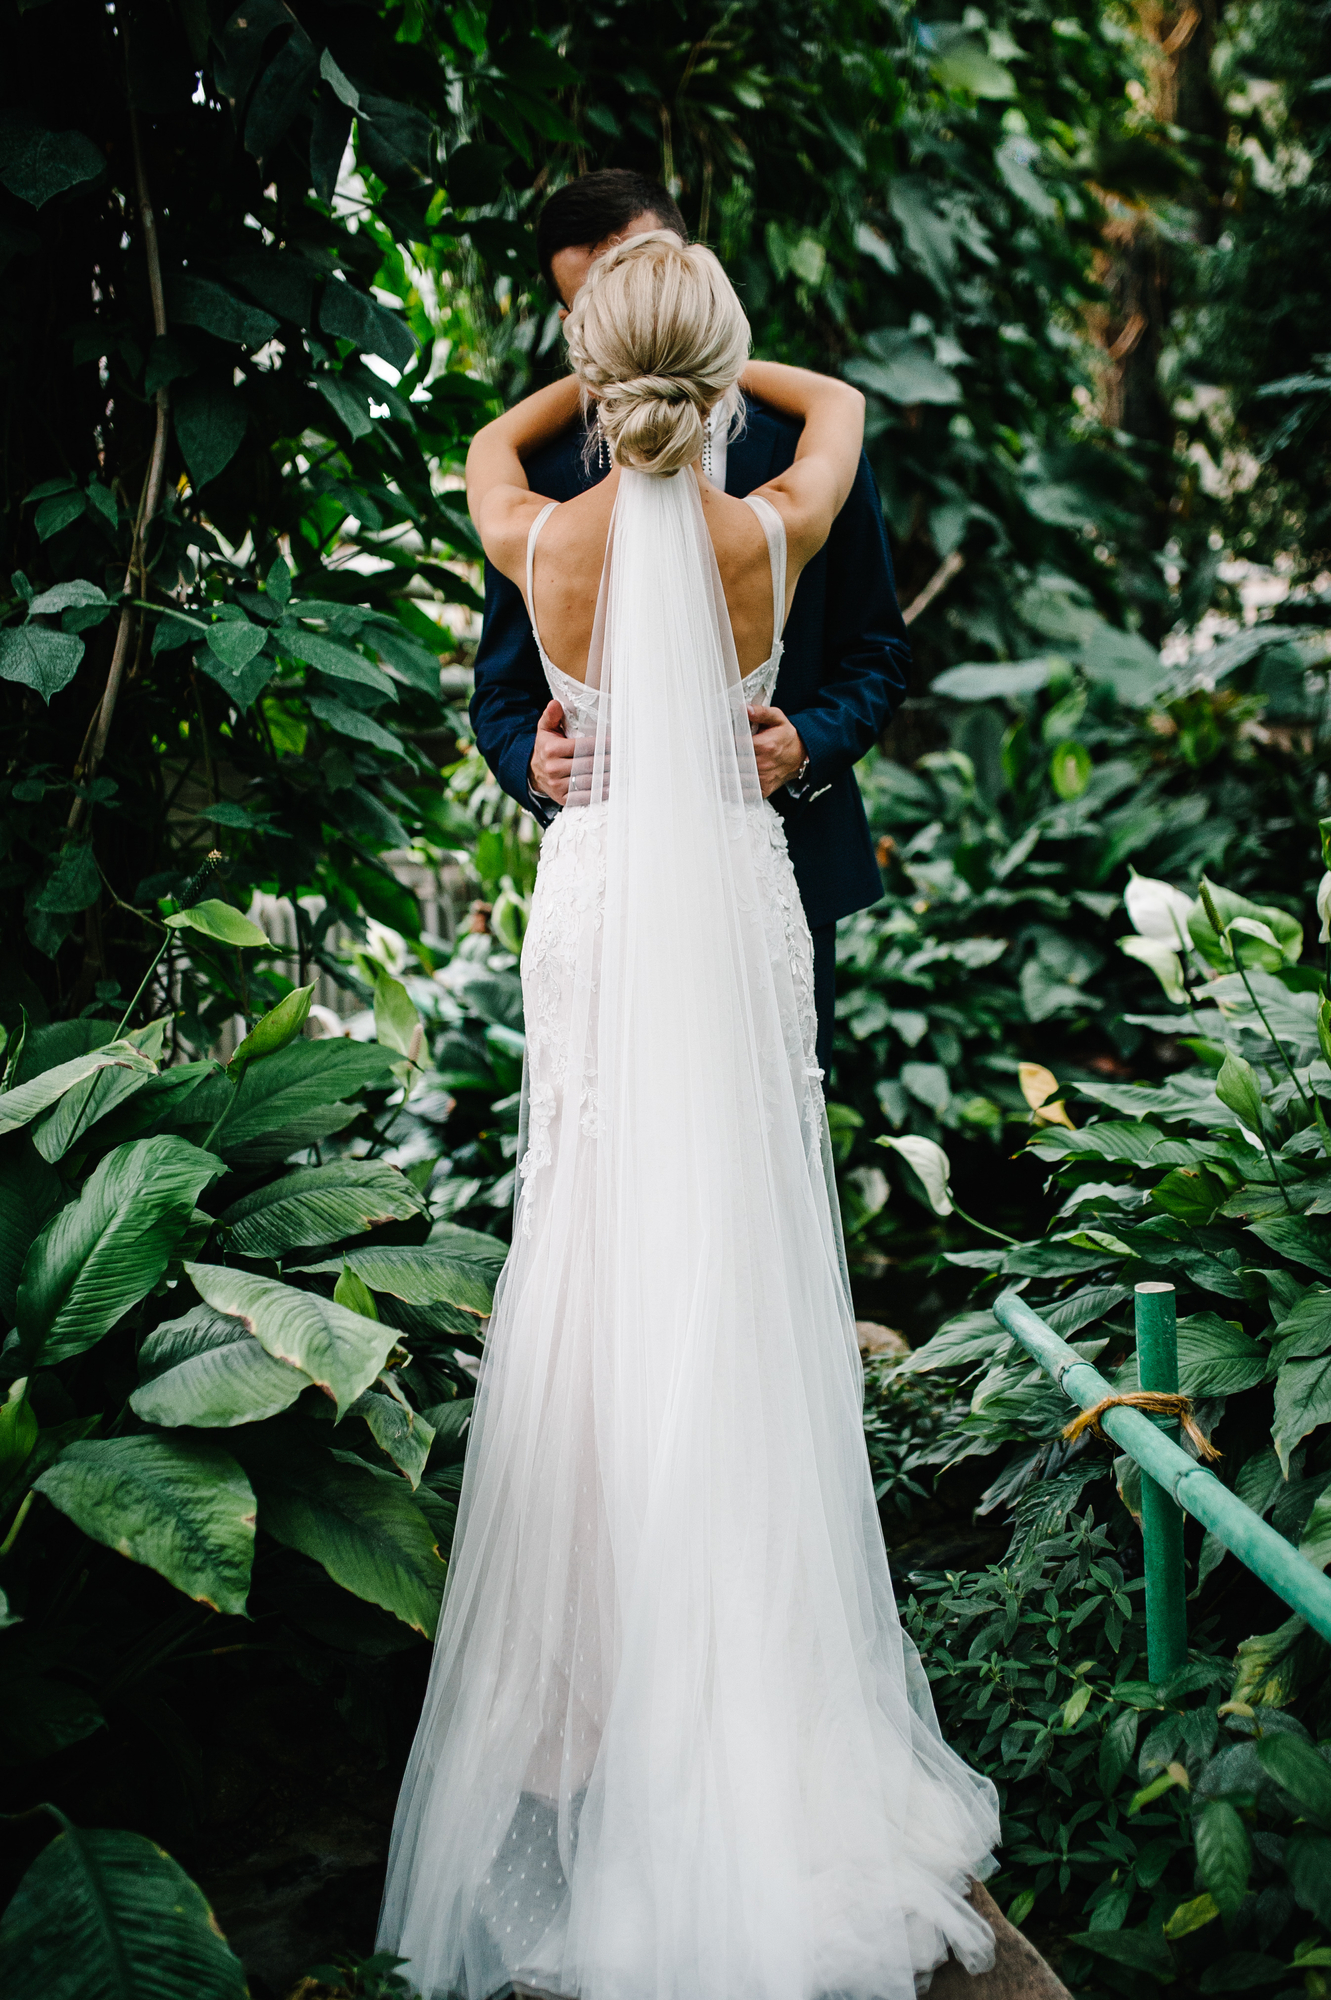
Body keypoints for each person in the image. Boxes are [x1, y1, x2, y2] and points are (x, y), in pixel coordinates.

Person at [378, 230, 999, 2000]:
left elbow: (495, 450)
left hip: (597, 903)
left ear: (593, 369)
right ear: (724, 377)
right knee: (732, 1250)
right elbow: (846, 409)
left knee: (591, 1252)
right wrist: (707, 369)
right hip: (727, 897)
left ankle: (591, 1697)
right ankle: (742, 1696)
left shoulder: (537, 530)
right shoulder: (767, 529)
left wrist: (607, 366)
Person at [469, 169, 910, 1079]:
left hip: (782, 862)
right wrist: (529, 761)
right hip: (621, 882)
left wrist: (808, 743)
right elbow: (500, 692)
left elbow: (877, 648)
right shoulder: (797, 485)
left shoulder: (526, 499)